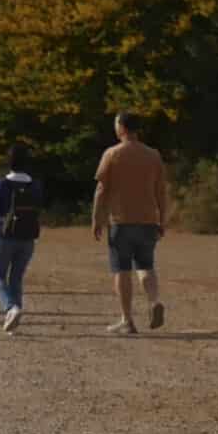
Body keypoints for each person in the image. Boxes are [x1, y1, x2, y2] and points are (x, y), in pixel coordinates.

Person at [93, 111, 170, 335]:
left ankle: (127, 320)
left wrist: (96, 218)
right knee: (146, 265)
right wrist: (162, 219)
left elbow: (101, 189)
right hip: (147, 220)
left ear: (122, 128)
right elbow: (161, 191)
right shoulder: (153, 155)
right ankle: (154, 300)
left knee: (122, 270)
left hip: (120, 221)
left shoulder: (112, 154)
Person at [0, 143, 42, 333]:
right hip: (28, 237)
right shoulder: (35, 185)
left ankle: (11, 308)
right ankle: (14, 319)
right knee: (16, 277)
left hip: (5, 236)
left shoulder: (2, 183)